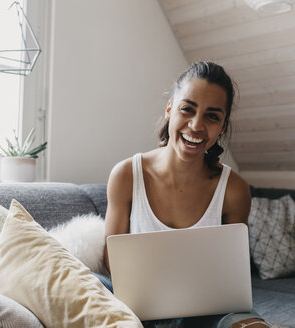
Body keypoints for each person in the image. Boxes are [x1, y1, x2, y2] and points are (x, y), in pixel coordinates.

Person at [96, 62, 271, 328]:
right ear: (169, 109)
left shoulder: (234, 190)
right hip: (139, 305)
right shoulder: (126, 175)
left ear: (223, 126)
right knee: (89, 282)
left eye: (212, 116)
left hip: (207, 310)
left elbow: (233, 272)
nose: (196, 125)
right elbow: (113, 259)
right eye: (187, 109)